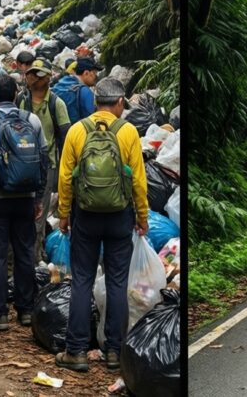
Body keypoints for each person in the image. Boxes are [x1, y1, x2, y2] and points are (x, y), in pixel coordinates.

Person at [55, 78, 149, 373]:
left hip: (85, 215)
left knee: (82, 280)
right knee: (117, 282)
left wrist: (64, 214)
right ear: (119, 102)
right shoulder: (128, 131)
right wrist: (142, 216)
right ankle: (114, 353)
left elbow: (65, 177)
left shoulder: (77, 130)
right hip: (120, 215)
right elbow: (138, 180)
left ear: (96, 101)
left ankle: (76, 351)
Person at [0, 74, 47, 329]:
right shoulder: (32, 120)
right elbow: (43, 159)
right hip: (26, 196)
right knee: (25, 252)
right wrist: (38, 198)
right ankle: (25, 310)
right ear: (16, 94)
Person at [17, 59, 71, 261]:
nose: (32, 78)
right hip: (23, 165)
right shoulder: (22, 100)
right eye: (31, 74)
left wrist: (64, 171)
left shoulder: (56, 104)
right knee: (24, 211)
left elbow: (65, 138)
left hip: (47, 166)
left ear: (48, 78)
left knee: (39, 213)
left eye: (37, 74)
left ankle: (34, 256)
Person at [51, 57, 102, 124]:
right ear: (86, 73)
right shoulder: (85, 91)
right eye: (94, 73)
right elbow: (91, 119)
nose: (96, 77)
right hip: (77, 128)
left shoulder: (61, 83)